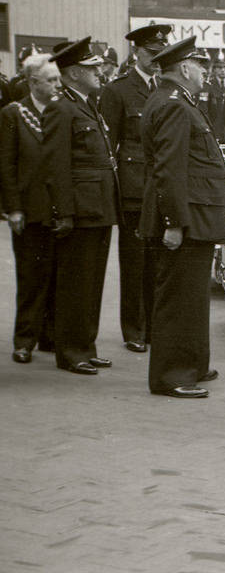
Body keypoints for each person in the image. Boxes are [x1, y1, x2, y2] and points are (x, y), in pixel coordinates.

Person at [140, 36, 225, 398]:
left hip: (194, 216)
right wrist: (173, 223)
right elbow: (170, 169)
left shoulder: (174, 100)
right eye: (201, 65)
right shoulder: (175, 105)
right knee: (179, 299)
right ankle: (172, 375)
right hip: (185, 219)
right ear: (186, 68)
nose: (205, 72)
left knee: (191, 298)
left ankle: (192, 364)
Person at [42, 37, 119, 375]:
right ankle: (71, 351)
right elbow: (56, 165)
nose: (98, 71)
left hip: (98, 207)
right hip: (80, 209)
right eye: (91, 68)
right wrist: (64, 212)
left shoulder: (87, 104)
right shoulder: (61, 108)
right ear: (73, 73)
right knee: (76, 283)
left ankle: (85, 345)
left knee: (92, 283)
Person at [99, 23, 170, 354]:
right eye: (150, 54)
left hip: (158, 187)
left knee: (156, 262)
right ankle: (134, 329)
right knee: (134, 262)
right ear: (136, 53)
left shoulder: (164, 88)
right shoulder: (118, 91)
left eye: (160, 55)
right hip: (132, 190)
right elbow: (107, 147)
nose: (156, 61)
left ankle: (154, 327)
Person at [0, 53, 61, 363]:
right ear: (33, 82)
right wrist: (13, 209)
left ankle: (49, 336)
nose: (56, 85)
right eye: (50, 80)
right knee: (30, 276)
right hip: (29, 209)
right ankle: (24, 339)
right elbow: (7, 166)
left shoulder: (61, 111)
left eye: (58, 79)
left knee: (55, 276)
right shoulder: (14, 114)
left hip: (58, 209)